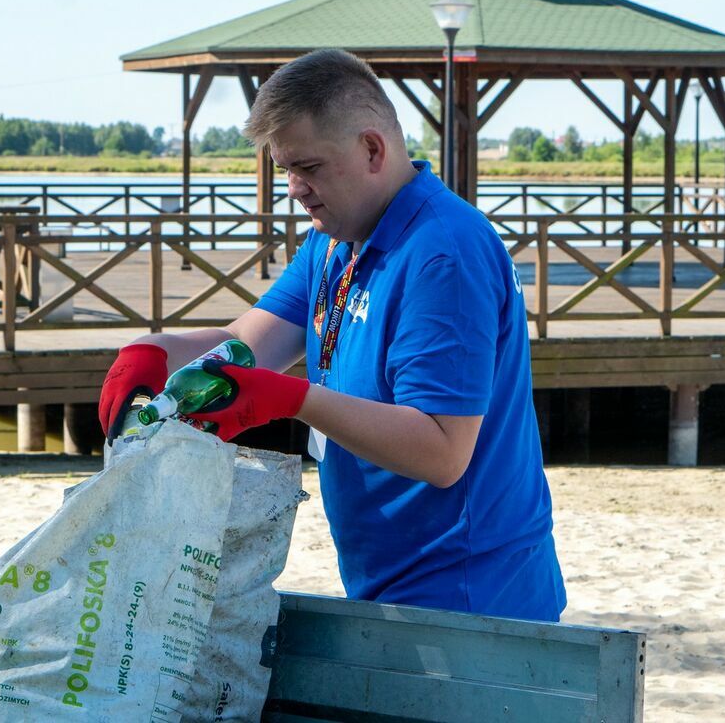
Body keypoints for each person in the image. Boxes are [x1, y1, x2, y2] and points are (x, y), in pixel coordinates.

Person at [99, 48, 565, 622]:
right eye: (285, 168)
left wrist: (294, 400)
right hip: (387, 579)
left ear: (373, 149)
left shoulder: (444, 253)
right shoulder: (336, 238)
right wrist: (154, 351)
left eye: (309, 167)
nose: (294, 188)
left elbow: (444, 450)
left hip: (471, 592)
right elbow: (249, 342)